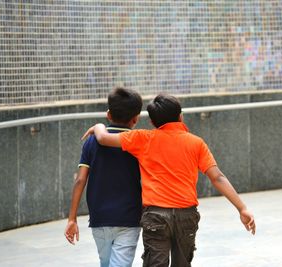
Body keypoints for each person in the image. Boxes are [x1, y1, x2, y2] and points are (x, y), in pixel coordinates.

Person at [82, 93, 256, 267]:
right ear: (180, 116)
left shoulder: (143, 138)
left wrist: (98, 126)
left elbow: (103, 139)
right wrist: (242, 208)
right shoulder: (196, 143)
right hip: (186, 215)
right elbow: (217, 177)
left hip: (155, 216)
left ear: (152, 122)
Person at [64, 87, 143, 267]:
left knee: (106, 263)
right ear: (136, 118)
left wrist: (72, 218)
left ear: (108, 114)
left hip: (99, 218)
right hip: (129, 218)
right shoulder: (139, 142)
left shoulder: (91, 142)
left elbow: (80, 180)